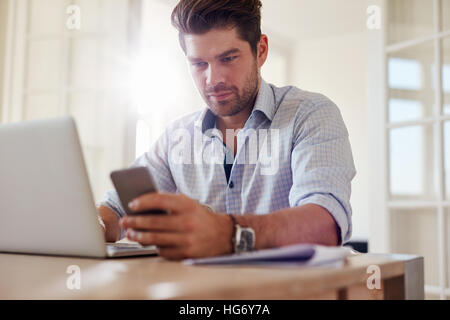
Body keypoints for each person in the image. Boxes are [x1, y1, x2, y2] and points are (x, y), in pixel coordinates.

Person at [97, 0, 356, 260]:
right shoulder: (177, 137)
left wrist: (226, 233)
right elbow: (116, 209)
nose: (213, 79)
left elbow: (325, 223)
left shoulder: (309, 114)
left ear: (261, 50)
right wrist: (96, 226)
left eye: (228, 58)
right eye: (199, 64)